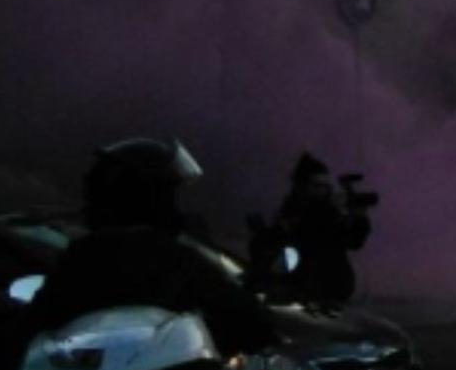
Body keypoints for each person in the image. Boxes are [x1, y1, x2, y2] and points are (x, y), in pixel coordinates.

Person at [28, 138, 273, 357]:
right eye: (169, 195)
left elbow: (34, 323)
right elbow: (254, 325)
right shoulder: (176, 259)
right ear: (152, 197)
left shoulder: (84, 255)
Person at [272, 152, 371, 304]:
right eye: (317, 186)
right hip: (307, 296)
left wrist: (358, 217)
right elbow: (305, 237)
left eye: (326, 187)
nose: (323, 191)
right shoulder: (298, 213)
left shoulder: (323, 212)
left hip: (324, 295)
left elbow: (353, 241)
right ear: (302, 186)